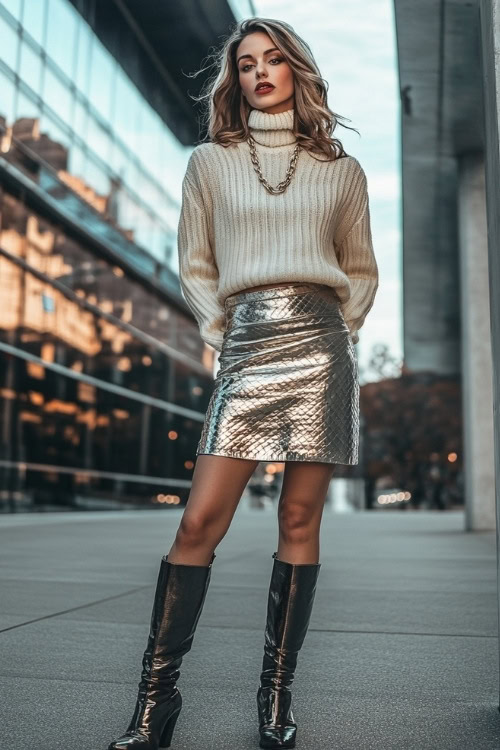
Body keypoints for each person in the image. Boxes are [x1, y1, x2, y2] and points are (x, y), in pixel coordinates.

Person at [107, 16, 379, 750]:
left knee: (299, 522)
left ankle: (275, 700)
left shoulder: (341, 172)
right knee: (198, 523)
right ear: (236, 78)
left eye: (274, 60)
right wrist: (223, 334)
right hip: (247, 343)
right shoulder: (210, 163)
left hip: (319, 347)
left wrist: (336, 331)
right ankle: (154, 702)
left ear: (297, 70)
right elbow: (196, 264)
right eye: (247, 62)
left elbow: (359, 270)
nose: (260, 71)